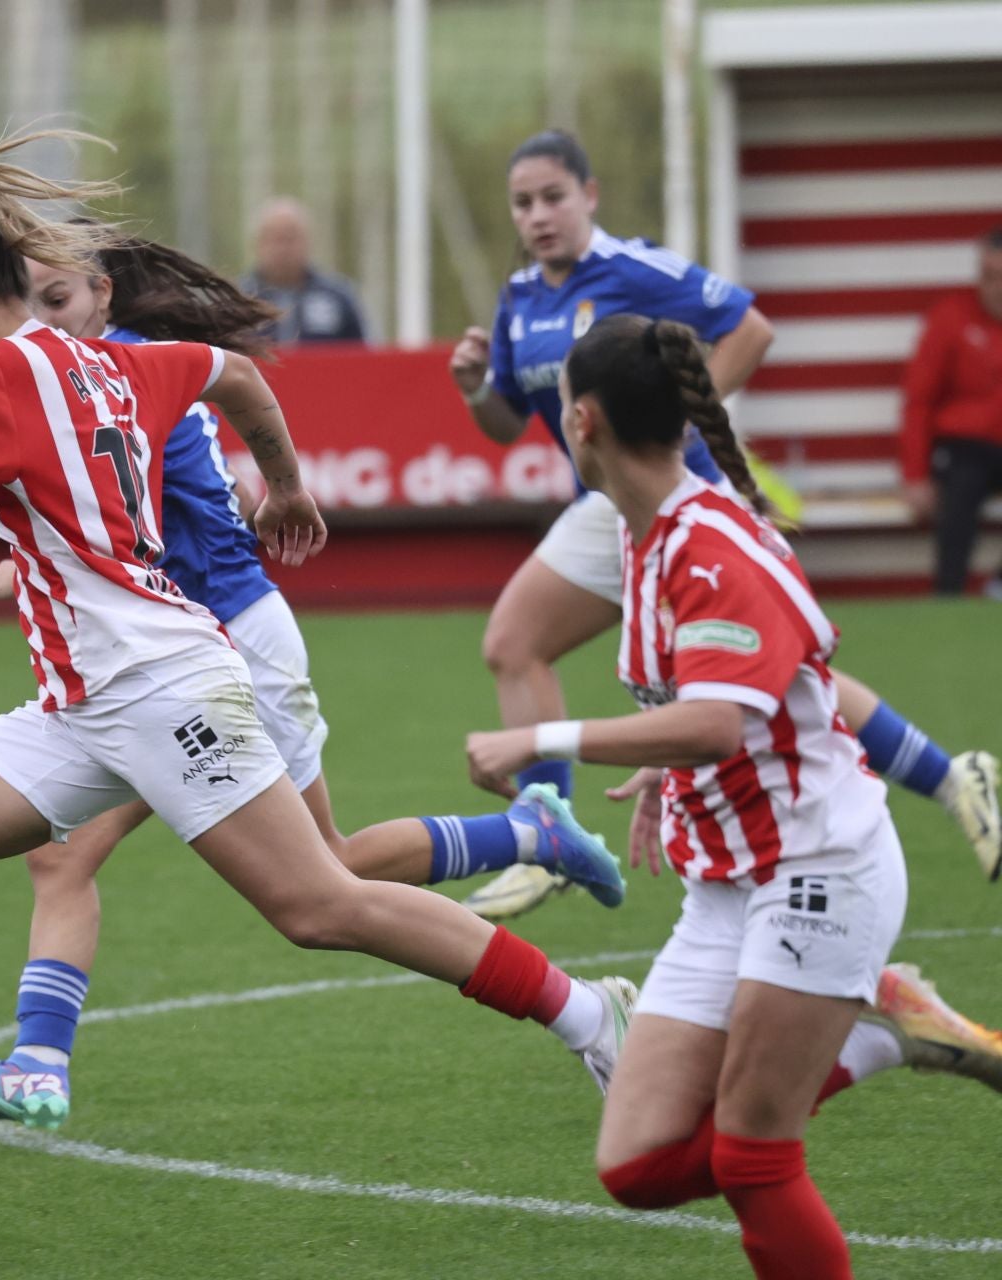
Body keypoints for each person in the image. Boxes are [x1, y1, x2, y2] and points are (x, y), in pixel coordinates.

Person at [0, 130, 643, 1235]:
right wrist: (280, 481)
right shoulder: (102, 357)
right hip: (87, 705)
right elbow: (232, 375)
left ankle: (589, 1012)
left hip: (164, 687)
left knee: (320, 903)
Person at [0, 233, 639, 1132]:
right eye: (31, 303)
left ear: (104, 298)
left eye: (60, 300)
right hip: (160, 664)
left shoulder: (113, 376)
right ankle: (38, 1064)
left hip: (223, 644)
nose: (44, 321)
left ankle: (539, 872)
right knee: (79, 853)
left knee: (324, 882)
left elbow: (114, 503)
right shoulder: (89, 376)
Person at [463, 313, 1002, 1279]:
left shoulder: (711, 546)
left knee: (756, 1155)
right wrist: (665, 776)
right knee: (634, 1164)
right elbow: (724, 712)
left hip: (819, 867)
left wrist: (539, 738)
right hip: (726, 886)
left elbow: (716, 721)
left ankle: (875, 1025)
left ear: (581, 419)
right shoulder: (646, 537)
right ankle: (886, 1033)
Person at [450, 130, 999, 917]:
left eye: (553, 197)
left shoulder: (636, 271)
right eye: (522, 203)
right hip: (606, 507)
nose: (538, 215)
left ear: (590, 195)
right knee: (513, 644)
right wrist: (475, 389)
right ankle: (549, 829)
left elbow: (751, 328)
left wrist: (670, 414)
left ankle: (949, 776)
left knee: (781, 679)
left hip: (680, 495)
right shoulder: (520, 299)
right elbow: (504, 426)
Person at [900, 224, 1002, 601]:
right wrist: (914, 475)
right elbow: (918, 400)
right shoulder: (951, 316)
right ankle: (949, 597)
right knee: (960, 489)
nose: (995, 287)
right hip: (965, 445)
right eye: (988, 276)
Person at [239, 196, 368, 344]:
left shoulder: (337, 297)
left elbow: (364, 354)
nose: (282, 248)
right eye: (274, 238)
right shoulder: (238, 300)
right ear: (258, 243)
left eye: (290, 238)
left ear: (308, 241)